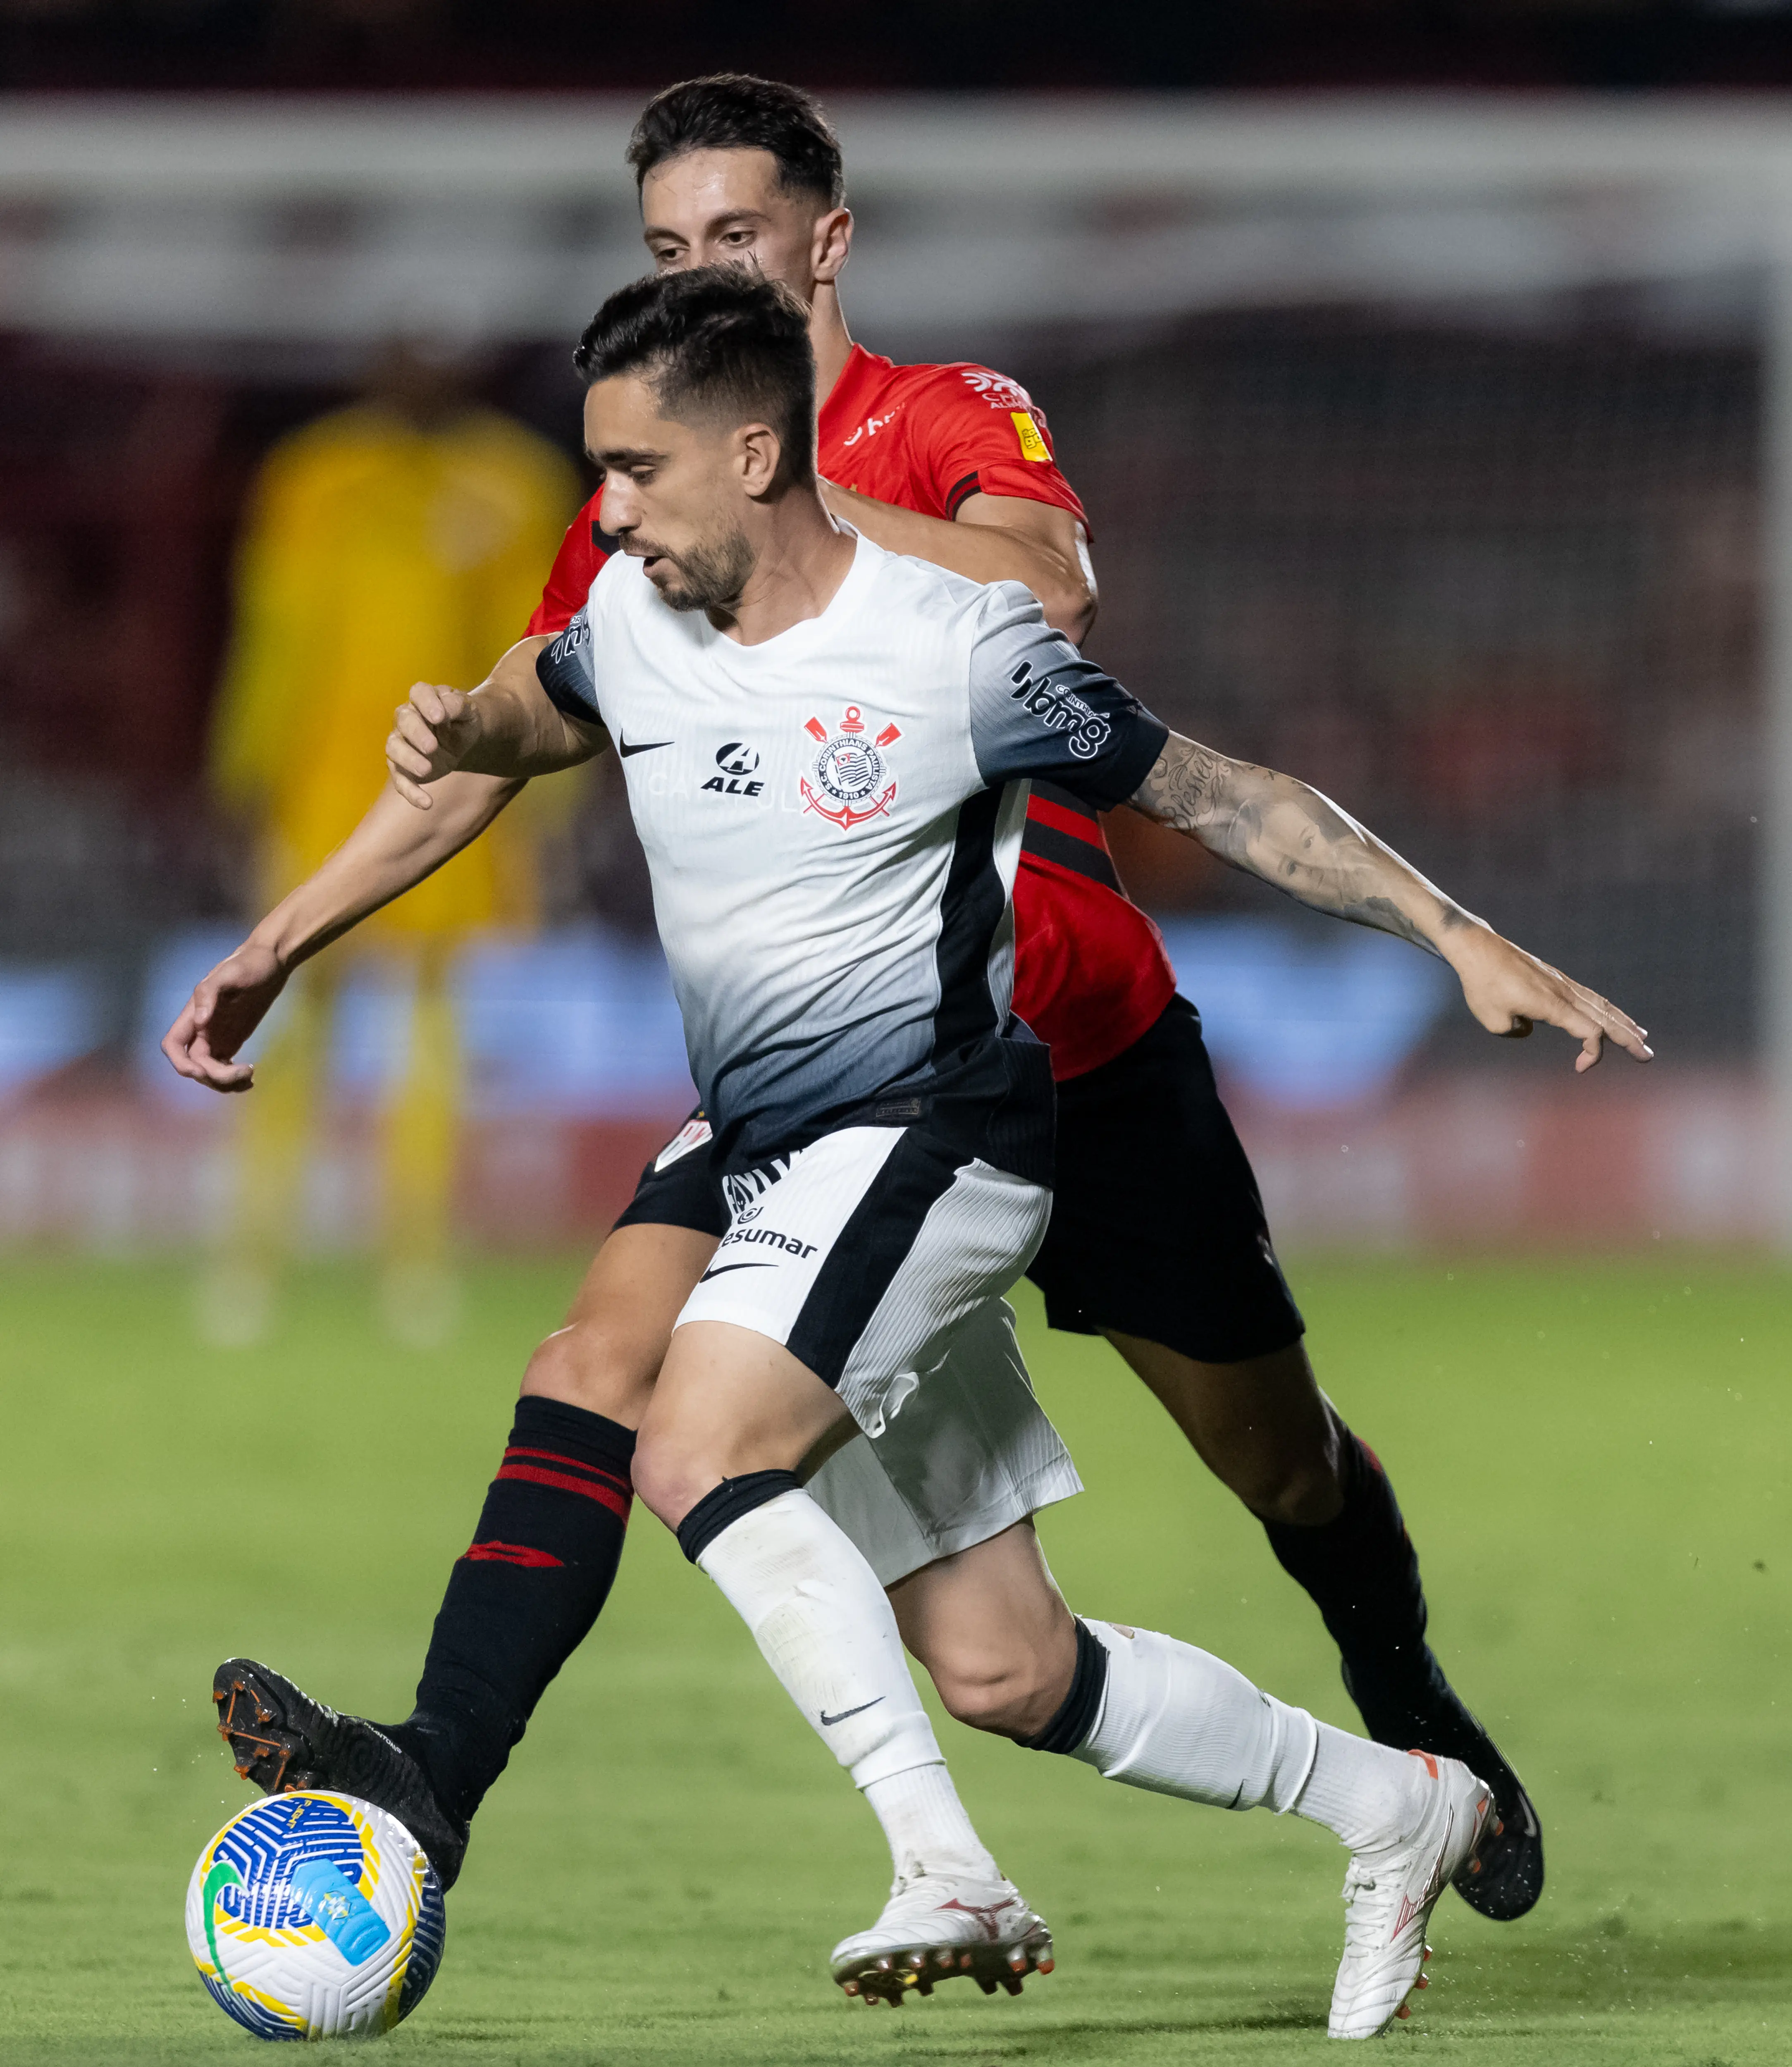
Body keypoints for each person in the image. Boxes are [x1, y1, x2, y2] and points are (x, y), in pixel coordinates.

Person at [172, 267, 1646, 2036]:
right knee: (1008, 1662)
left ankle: (945, 1868)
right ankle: (1401, 1805)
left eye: (636, 472)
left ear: (754, 448)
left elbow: (1227, 793)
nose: (608, 511)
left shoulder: (952, 649)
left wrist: (1454, 931)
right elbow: (531, 709)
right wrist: (445, 740)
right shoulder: (637, 624)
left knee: (694, 1431)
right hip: (777, 1152)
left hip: (942, 1131)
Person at [433, 73, 1548, 1918]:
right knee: (613, 1378)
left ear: (821, 241)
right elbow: (529, 713)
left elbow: (1063, 604)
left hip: (1075, 1053)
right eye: (667, 249)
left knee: (1276, 1458)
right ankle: (426, 1788)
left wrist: (795, 497)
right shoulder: (645, 513)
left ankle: (1400, 1704)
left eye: (734, 237)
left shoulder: (940, 425)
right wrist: (289, 931)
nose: (706, 267)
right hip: (821, 1096)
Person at [203, 340, 577, 1344]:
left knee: (432, 1026)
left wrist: (538, 809)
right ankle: (252, 1253)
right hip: (324, 782)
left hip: (449, 785)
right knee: (288, 1006)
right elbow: (275, 630)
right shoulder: (317, 477)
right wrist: (247, 769)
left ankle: (414, 1258)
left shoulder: (511, 485)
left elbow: (539, 654)